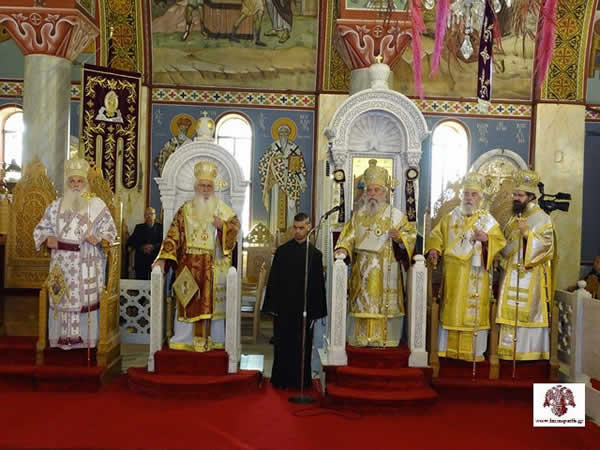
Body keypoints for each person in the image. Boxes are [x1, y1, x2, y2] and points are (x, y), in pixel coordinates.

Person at [153, 160, 241, 352]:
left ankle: (214, 339)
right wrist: (163, 258)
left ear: (213, 188)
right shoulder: (185, 209)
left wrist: (222, 226)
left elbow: (235, 227)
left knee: (212, 304)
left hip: (213, 265)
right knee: (188, 300)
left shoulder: (222, 209)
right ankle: (185, 339)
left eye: (209, 186)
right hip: (189, 265)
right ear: (196, 187)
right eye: (202, 186)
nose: (206, 189)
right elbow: (173, 235)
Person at [33, 158, 117, 350]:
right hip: (61, 263)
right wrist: (47, 237)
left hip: (86, 261)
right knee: (62, 296)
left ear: (85, 183)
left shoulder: (96, 205)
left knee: (84, 300)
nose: (76, 185)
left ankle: (86, 340)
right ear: (67, 183)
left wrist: (98, 237)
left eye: (80, 181)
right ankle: (62, 339)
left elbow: (111, 232)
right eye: (72, 181)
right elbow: (41, 229)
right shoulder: (55, 206)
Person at [334, 160, 416, 347]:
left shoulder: (396, 216)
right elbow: (348, 237)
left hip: (387, 271)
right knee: (362, 304)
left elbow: (410, 239)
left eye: (376, 190)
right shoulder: (358, 215)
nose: (372, 194)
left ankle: (386, 339)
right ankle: (361, 338)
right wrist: (343, 248)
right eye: (369, 190)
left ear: (385, 193)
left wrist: (399, 239)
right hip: (362, 272)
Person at [425, 172, 506, 361]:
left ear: (480, 198)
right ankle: (447, 351)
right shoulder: (450, 217)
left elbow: (500, 242)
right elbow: (436, 235)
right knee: (451, 310)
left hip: (475, 273)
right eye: (466, 194)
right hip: (453, 273)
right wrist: (434, 248)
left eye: (473, 194)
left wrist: (486, 239)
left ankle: (473, 352)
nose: (469, 198)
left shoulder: (487, 220)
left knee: (473, 313)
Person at [262, 213, 327, 389]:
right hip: (284, 309)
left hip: (304, 311)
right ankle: (281, 380)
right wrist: (272, 307)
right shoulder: (282, 252)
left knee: (302, 346)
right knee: (282, 345)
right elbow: (273, 281)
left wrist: (316, 312)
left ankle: (301, 382)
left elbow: (318, 286)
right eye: (295, 228)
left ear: (308, 227)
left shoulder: (314, 255)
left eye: (302, 228)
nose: (298, 231)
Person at [496, 169, 555, 361]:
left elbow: (548, 248)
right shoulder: (513, 217)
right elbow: (506, 243)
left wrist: (528, 234)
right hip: (511, 272)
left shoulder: (543, 218)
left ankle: (528, 352)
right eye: (514, 194)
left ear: (531, 196)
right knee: (509, 311)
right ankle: (508, 351)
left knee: (528, 310)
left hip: (531, 274)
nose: (515, 198)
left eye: (519, 195)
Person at [258, 122, 307, 236]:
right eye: (281, 133)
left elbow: (300, 165)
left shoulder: (294, 148)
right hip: (276, 183)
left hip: (290, 183)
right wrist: (274, 160)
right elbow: (263, 162)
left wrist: (301, 179)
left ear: (288, 134)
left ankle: (291, 234)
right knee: (276, 207)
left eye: (285, 133)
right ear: (278, 134)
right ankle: (274, 234)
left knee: (291, 206)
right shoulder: (273, 147)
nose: (283, 136)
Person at [127, 207, 163, 280]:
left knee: (156, 281)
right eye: (146, 214)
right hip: (141, 259)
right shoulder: (138, 227)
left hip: (155, 259)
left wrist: (153, 247)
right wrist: (142, 247)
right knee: (141, 281)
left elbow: (164, 242)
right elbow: (131, 241)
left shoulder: (161, 228)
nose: (149, 216)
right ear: (144, 216)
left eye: (151, 214)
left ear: (155, 216)